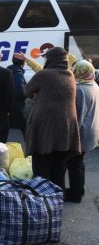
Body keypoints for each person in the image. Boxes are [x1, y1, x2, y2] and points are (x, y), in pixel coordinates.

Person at [25, 47, 80, 190]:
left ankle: (42, 202)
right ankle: (56, 201)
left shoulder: (43, 74)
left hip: (44, 128)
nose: (44, 60)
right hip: (65, 130)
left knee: (41, 168)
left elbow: (27, 91)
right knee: (58, 171)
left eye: (46, 58)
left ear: (51, 59)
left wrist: (38, 93)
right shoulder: (70, 75)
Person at [64, 60, 99, 203]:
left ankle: (75, 194)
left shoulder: (80, 89)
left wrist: (70, 137)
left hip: (81, 133)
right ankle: (78, 190)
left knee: (74, 162)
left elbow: (77, 116)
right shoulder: (93, 85)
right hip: (91, 131)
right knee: (77, 162)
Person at [7, 56, 27, 137]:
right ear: (23, 63)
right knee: (25, 127)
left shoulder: (8, 71)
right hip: (17, 106)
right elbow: (20, 92)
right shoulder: (18, 73)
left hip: (6, 106)